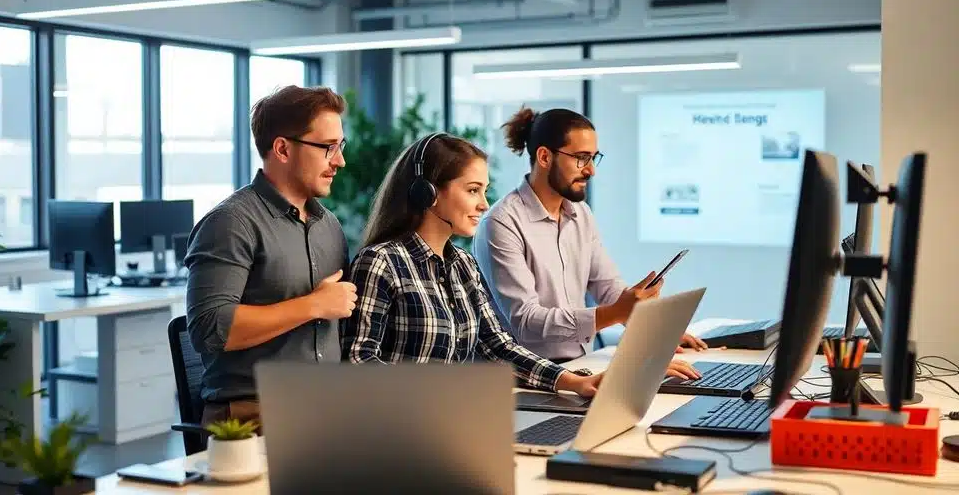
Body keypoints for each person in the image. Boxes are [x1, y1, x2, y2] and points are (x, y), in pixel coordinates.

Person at [341, 132, 604, 397]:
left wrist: (571, 382)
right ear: (427, 192)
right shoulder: (381, 262)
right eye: (472, 190)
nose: (484, 204)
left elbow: (498, 346)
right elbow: (359, 361)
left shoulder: (464, 266)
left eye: (484, 191)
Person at [471, 106, 704, 379]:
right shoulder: (501, 223)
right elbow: (526, 321)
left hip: (581, 366)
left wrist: (656, 331)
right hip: (527, 378)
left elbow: (606, 285)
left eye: (594, 158)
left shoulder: (579, 213)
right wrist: (616, 313)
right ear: (544, 157)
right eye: (581, 159)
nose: (591, 170)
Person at [184, 85, 358, 428]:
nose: (340, 160)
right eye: (327, 147)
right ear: (282, 149)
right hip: (253, 414)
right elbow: (209, 330)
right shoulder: (231, 223)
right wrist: (313, 305)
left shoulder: (329, 226)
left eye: (340, 146)